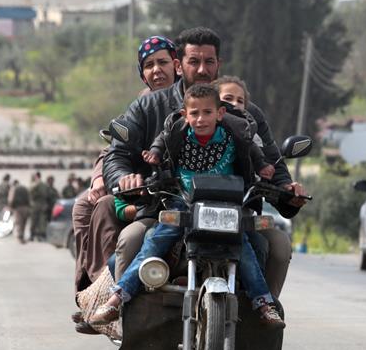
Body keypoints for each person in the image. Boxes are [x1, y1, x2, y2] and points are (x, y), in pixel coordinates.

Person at [102, 26, 307, 302]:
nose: (202, 69)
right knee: (130, 241)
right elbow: (117, 155)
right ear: (178, 65)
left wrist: (287, 190)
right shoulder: (148, 106)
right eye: (194, 61)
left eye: (209, 61)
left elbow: (270, 160)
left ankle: (262, 312)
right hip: (165, 208)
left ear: (218, 64)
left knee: (279, 246)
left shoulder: (246, 114)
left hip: (235, 212)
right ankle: (123, 310)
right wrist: (125, 178)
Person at [90, 83, 284, 328]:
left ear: (220, 113)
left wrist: (263, 167)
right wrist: (155, 156)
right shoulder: (176, 133)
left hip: (226, 204)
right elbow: (161, 141)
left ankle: (264, 304)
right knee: (156, 240)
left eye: (207, 112)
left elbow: (252, 149)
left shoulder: (235, 133)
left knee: (244, 247)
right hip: (183, 201)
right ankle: (117, 298)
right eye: (194, 113)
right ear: (185, 115)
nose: (200, 119)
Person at [72, 35, 181, 295]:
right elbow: (115, 148)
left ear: (177, 65)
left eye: (162, 62)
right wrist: (104, 178)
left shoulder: (199, 102)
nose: (157, 70)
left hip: (180, 190)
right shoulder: (142, 104)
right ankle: (96, 289)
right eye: (149, 65)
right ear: (143, 75)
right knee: (86, 205)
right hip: (142, 188)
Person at [8, 178, 31, 244]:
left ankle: (20, 237)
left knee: (19, 222)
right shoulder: (25, 188)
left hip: (18, 208)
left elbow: (11, 199)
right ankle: (22, 236)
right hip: (26, 208)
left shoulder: (13, 189)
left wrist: (10, 207)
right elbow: (29, 198)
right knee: (24, 223)